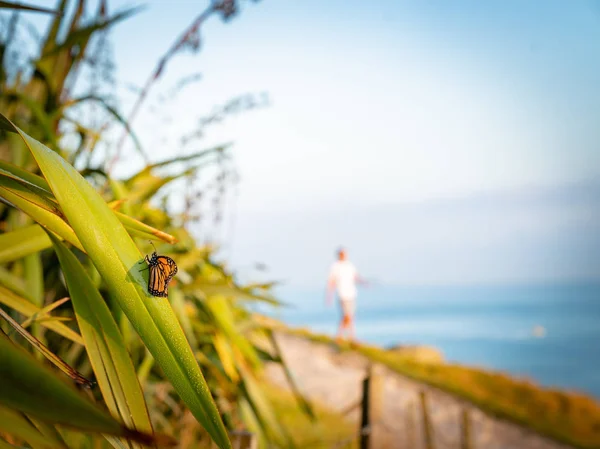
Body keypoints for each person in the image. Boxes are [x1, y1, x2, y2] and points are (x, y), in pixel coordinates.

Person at [326, 247, 366, 342]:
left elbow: (355, 277)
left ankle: (347, 336)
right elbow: (331, 281)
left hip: (351, 294)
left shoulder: (350, 265)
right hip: (342, 294)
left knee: (350, 316)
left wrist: (363, 282)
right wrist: (329, 296)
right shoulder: (335, 266)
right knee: (347, 316)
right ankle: (345, 336)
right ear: (339, 255)